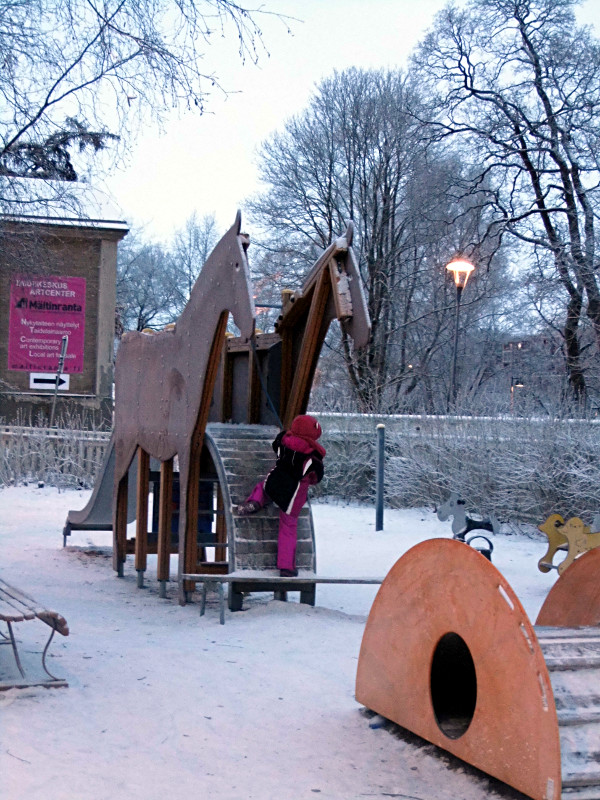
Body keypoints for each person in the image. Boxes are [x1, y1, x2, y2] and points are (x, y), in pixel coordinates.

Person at [236, 414, 326, 577]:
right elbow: (316, 477)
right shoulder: (313, 457)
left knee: (264, 487)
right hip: (294, 491)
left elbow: (275, 446)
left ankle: (255, 501)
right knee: (288, 526)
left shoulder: (283, 441)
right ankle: (286, 567)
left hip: (276, 478)